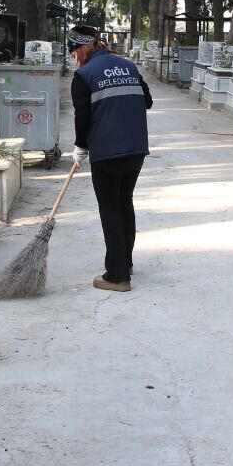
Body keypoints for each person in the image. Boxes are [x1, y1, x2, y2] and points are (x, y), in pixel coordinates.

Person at [68, 24, 152, 293]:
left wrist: (80, 146)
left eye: (73, 52)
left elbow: (82, 117)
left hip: (106, 152)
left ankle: (117, 276)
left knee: (110, 208)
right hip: (136, 149)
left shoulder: (84, 75)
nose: (74, 58)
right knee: (124, 202)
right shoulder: (128, 66)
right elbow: (147, 101)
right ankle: (124, 263)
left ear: (81, 48)